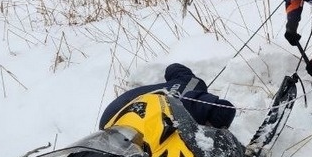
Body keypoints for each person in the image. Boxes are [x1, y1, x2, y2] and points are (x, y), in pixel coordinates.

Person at [99, 63, 235, 130]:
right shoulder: (183, 120)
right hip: (119, 122)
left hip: (119, 105)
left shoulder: (192, 82)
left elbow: (173, 68)